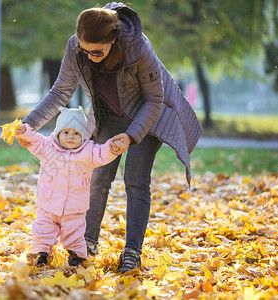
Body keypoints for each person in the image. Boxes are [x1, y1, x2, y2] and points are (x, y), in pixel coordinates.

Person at [18, 3, 202, 273]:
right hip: (109, 115)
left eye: (97, 51)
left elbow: (154, 99)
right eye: (85, 49)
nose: (90, 55)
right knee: (97, 177)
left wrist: (131, 135)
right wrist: (28, 124)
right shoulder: (75, 48)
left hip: (145, 116)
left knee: (136, 181)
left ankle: (132, 252)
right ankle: (87, 241)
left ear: (113, 40)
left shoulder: (138, 48)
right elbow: (60, 91)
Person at [15, 107, 124, 267]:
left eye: (76, 134)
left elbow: (102, 153)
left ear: (83, 136)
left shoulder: (88, 152)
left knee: (74, 234)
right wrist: (24, 130)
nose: (71, 137)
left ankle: (77, 256)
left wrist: (111, 148)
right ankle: (41, 253)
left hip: (74, 207)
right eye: (66, 133)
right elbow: (33, 140)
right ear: (58, 132)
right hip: (48, 204)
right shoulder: (47, 147)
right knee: (43, 230)